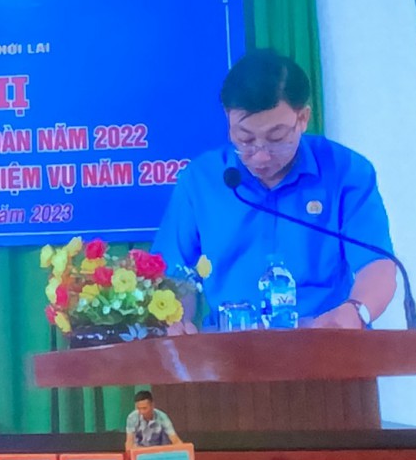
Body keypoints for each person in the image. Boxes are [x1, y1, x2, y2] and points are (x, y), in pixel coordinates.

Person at [152, 50, 397, 330]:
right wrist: (177, 321)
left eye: (277, 138)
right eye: (245, 139)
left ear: (303, 118)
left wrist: (355, 312)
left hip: (326, 342)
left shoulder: (346, 171)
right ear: (228, 120)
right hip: (228, 348)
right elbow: (174, 275)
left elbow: (377, 264)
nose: (261, 156)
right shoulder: (201, 180)